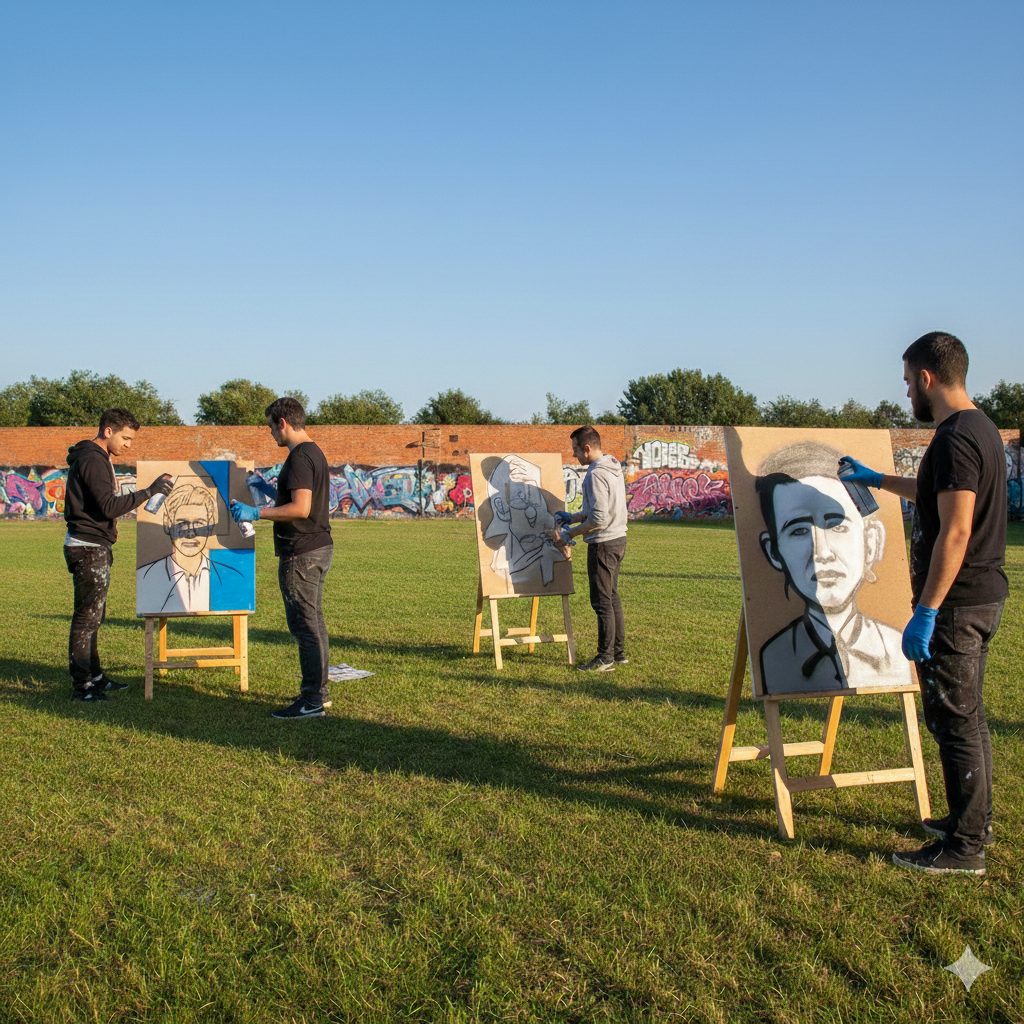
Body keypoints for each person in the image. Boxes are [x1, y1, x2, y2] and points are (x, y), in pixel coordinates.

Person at [843, 331, 1008, 876]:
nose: (908, 392)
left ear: (928, 378)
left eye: (909, 382)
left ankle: (965, 848)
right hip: (978, 598)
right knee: (968, 718)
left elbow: (955, 531)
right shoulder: (980, 429)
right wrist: (877, 480)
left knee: (955, 722)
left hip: (957, 606)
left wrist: (929, 610)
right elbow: (938, 495)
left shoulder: (956, 437)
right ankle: (972, 823)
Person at [755, 440, 912, 694]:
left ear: (871, 542)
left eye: (837, 526)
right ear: (773, 552)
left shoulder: (896, 647)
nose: (823, 553)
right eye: (799, 531)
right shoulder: (773, 655)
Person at [229, 396, 333, 719]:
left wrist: (256, 512)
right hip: (317, 546)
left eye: (271, 427)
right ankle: (318, 692)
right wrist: (267, 491)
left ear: (283, 423)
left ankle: (312, 700)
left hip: (301, 552)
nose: (271, 433)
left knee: (305, 626)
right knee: (314, 622)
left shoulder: (300, 457)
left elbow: (301, 509)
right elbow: (297, 500)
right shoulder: (314, 452)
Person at [64, 408, 173, 701]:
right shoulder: (92, 459)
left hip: (91, 546)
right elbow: (109, 507)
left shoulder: (97, 458)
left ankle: (95, 677)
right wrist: (148, 492)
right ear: (108, 431)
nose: (128, 444)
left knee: (94, 616)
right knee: (87, 619)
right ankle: (83, 687)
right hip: (88, 547)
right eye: (125, 438)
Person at [547, 425, 628, 671]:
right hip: (618, 539)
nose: (573, 455)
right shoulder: (612, 467)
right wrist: (572, 517)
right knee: (612, 597)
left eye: (575, 449)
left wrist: (569, 533)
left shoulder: (595, 474)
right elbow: (596, 510)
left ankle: (605, 658)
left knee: (602, 602)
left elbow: (599, 519)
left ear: (587, 448)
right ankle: (618, 653)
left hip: (603, 544)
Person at [136, 483, 247, 614]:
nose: (190, 533)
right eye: (182, 524)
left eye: (199, 523)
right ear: (167, 525)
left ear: (211, 527)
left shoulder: (231, 578)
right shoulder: (146, 577)